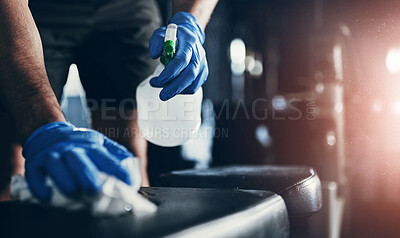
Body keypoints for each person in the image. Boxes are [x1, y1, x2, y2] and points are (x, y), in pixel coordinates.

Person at [0, 0, 218, 201]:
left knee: (127, 158)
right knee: (15, 160)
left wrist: (191, 22)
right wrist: (40, 125)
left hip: (128, 9)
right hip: (35, 10)